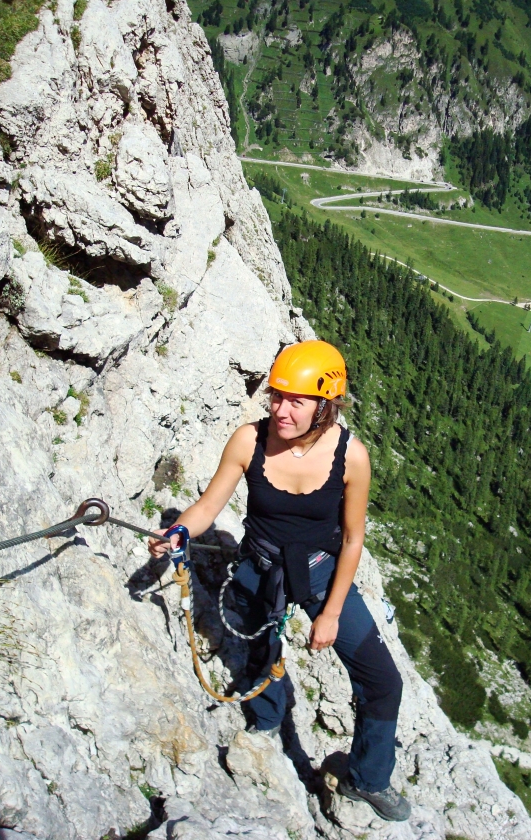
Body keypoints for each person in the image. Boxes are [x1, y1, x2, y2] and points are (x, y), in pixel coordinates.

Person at [148, 340, 409, 822]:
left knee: (382, 681)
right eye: (276, 396)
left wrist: (330, 613)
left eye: (296, 400)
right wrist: (179, 531)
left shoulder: (351, 456)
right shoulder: (249, 441)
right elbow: (208, 506)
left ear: (325, 405)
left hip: (321, 572)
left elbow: (353, 540)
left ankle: (368, 777)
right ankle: (267, 719)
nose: (280, 409)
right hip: (260, 569)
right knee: (261, 652)